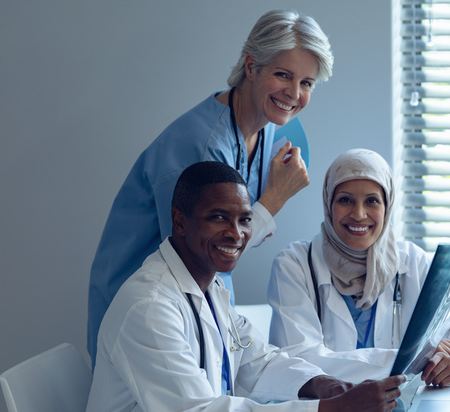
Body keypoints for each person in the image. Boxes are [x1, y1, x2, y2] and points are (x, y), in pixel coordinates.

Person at [74, 161, 405, 412]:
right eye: (218, 217)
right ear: (179, 220)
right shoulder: (149, 307)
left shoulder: (210, 288)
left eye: (245, 219)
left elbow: (256, 361)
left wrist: (321, 385)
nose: (236, 233)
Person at [87, 9, 334, 363]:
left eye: (307, 83)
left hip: (194, 298)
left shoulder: (271, 130)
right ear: (251, 67)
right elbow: (202, 251)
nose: (294, 93)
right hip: (146, 313)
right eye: (283, 75)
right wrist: (276, 198)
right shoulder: (201, 147)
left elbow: (226, 244)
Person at [268, 149, 450, 386]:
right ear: (329, 203)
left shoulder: (411, 262)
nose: (359, 214)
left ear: (387, 205)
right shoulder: (295, 265)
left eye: (372, 201)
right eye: (345, 200)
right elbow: (299, 360)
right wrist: (411, 357)